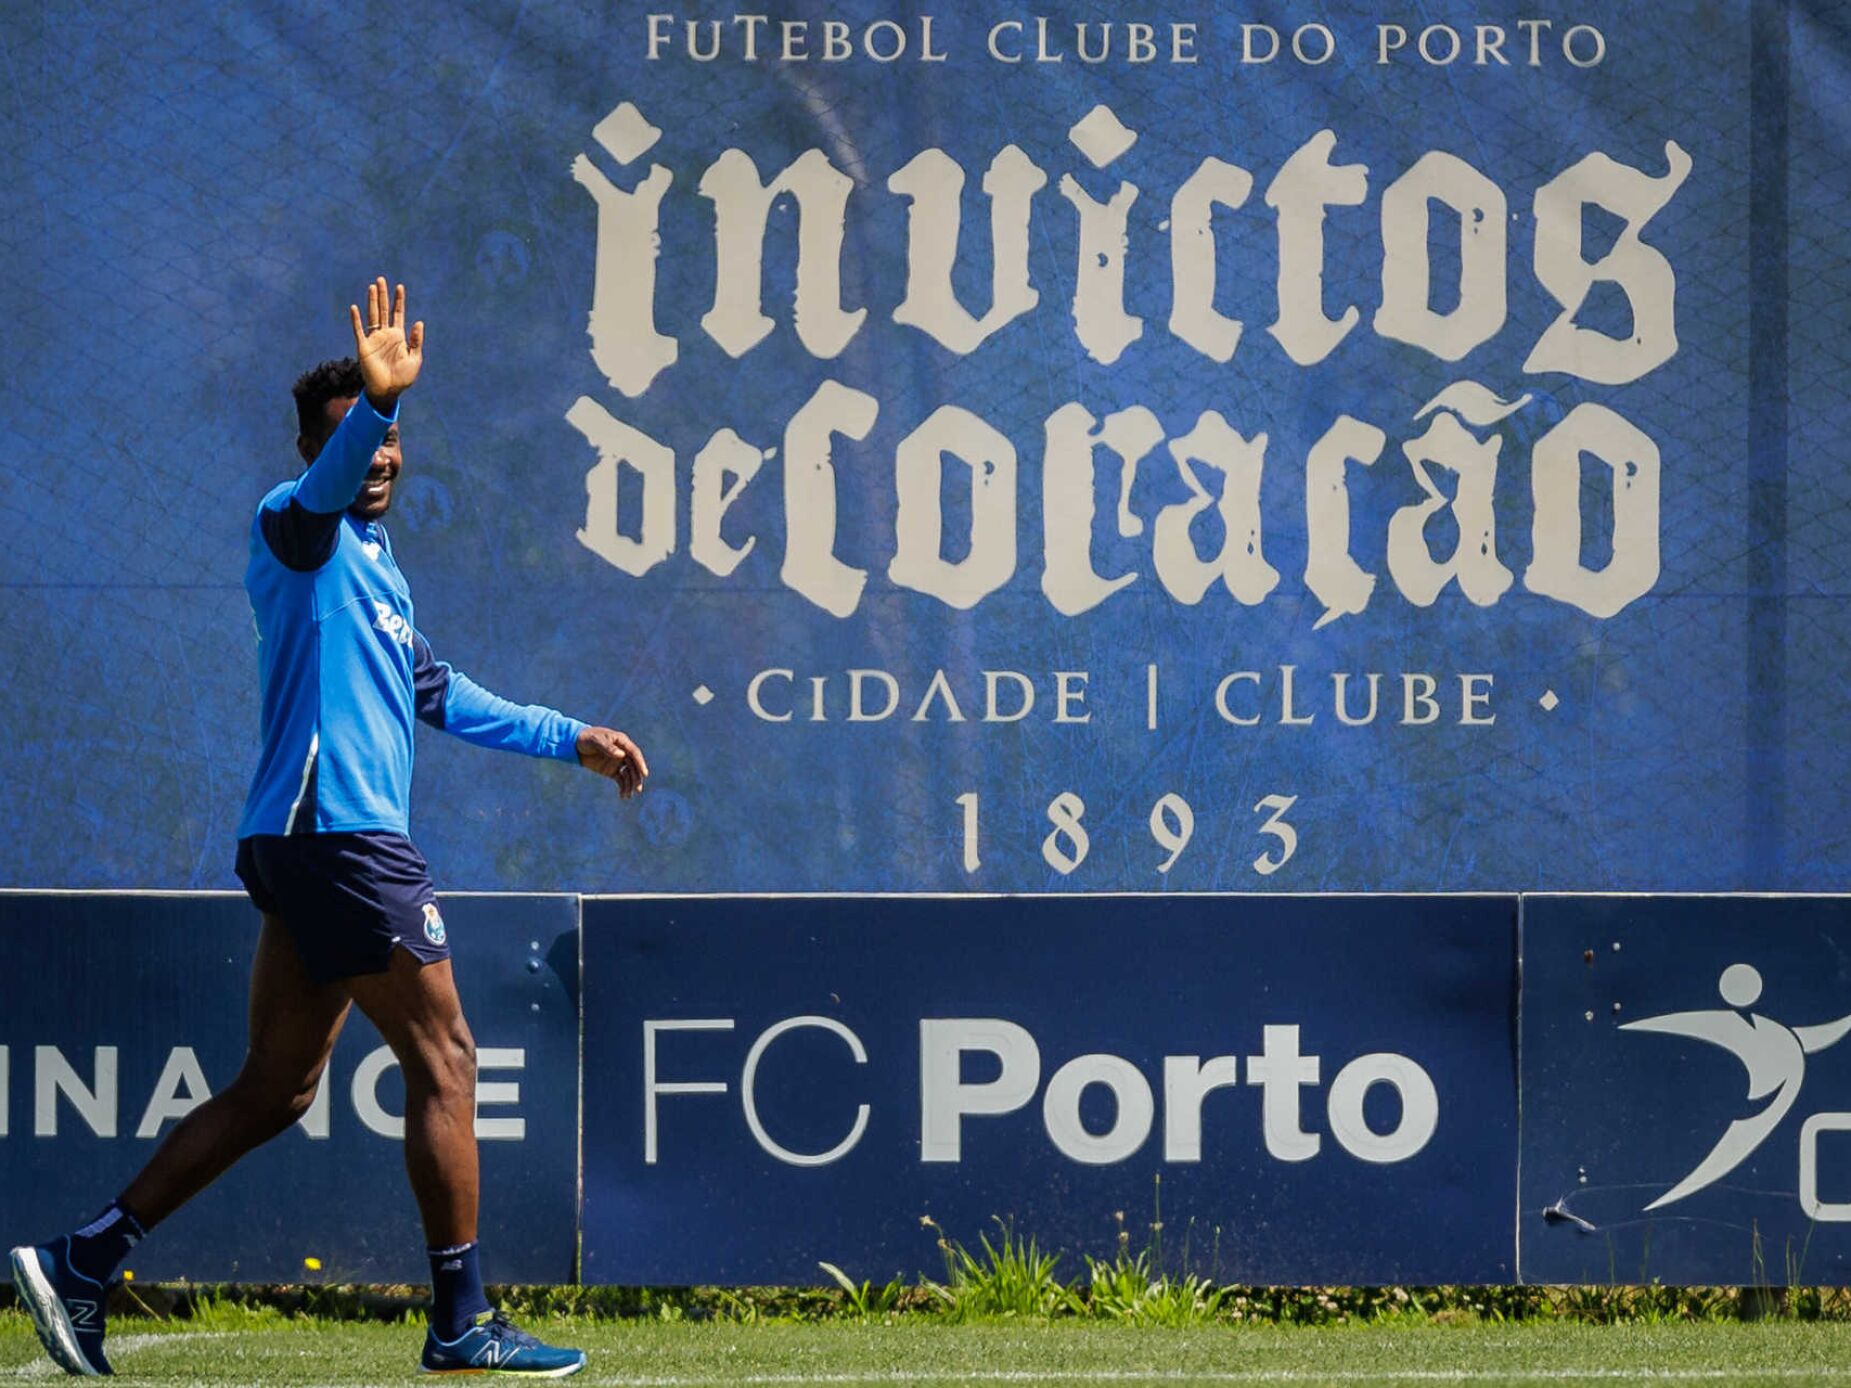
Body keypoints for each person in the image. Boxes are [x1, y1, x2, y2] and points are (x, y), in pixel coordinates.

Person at [9, 278, 646, 1378]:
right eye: (358, 437)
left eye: (394, 439)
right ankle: (461, 1320)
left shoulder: (381, 575)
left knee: (278, 1086)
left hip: (312, 845)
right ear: (322, 444)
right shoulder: (293, 527)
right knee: (447, 1057)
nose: (385, 458)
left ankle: (81, 1258)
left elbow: (443, 693)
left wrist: (569, 734)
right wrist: (379, 408)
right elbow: (329, 486)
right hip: (340, 837)